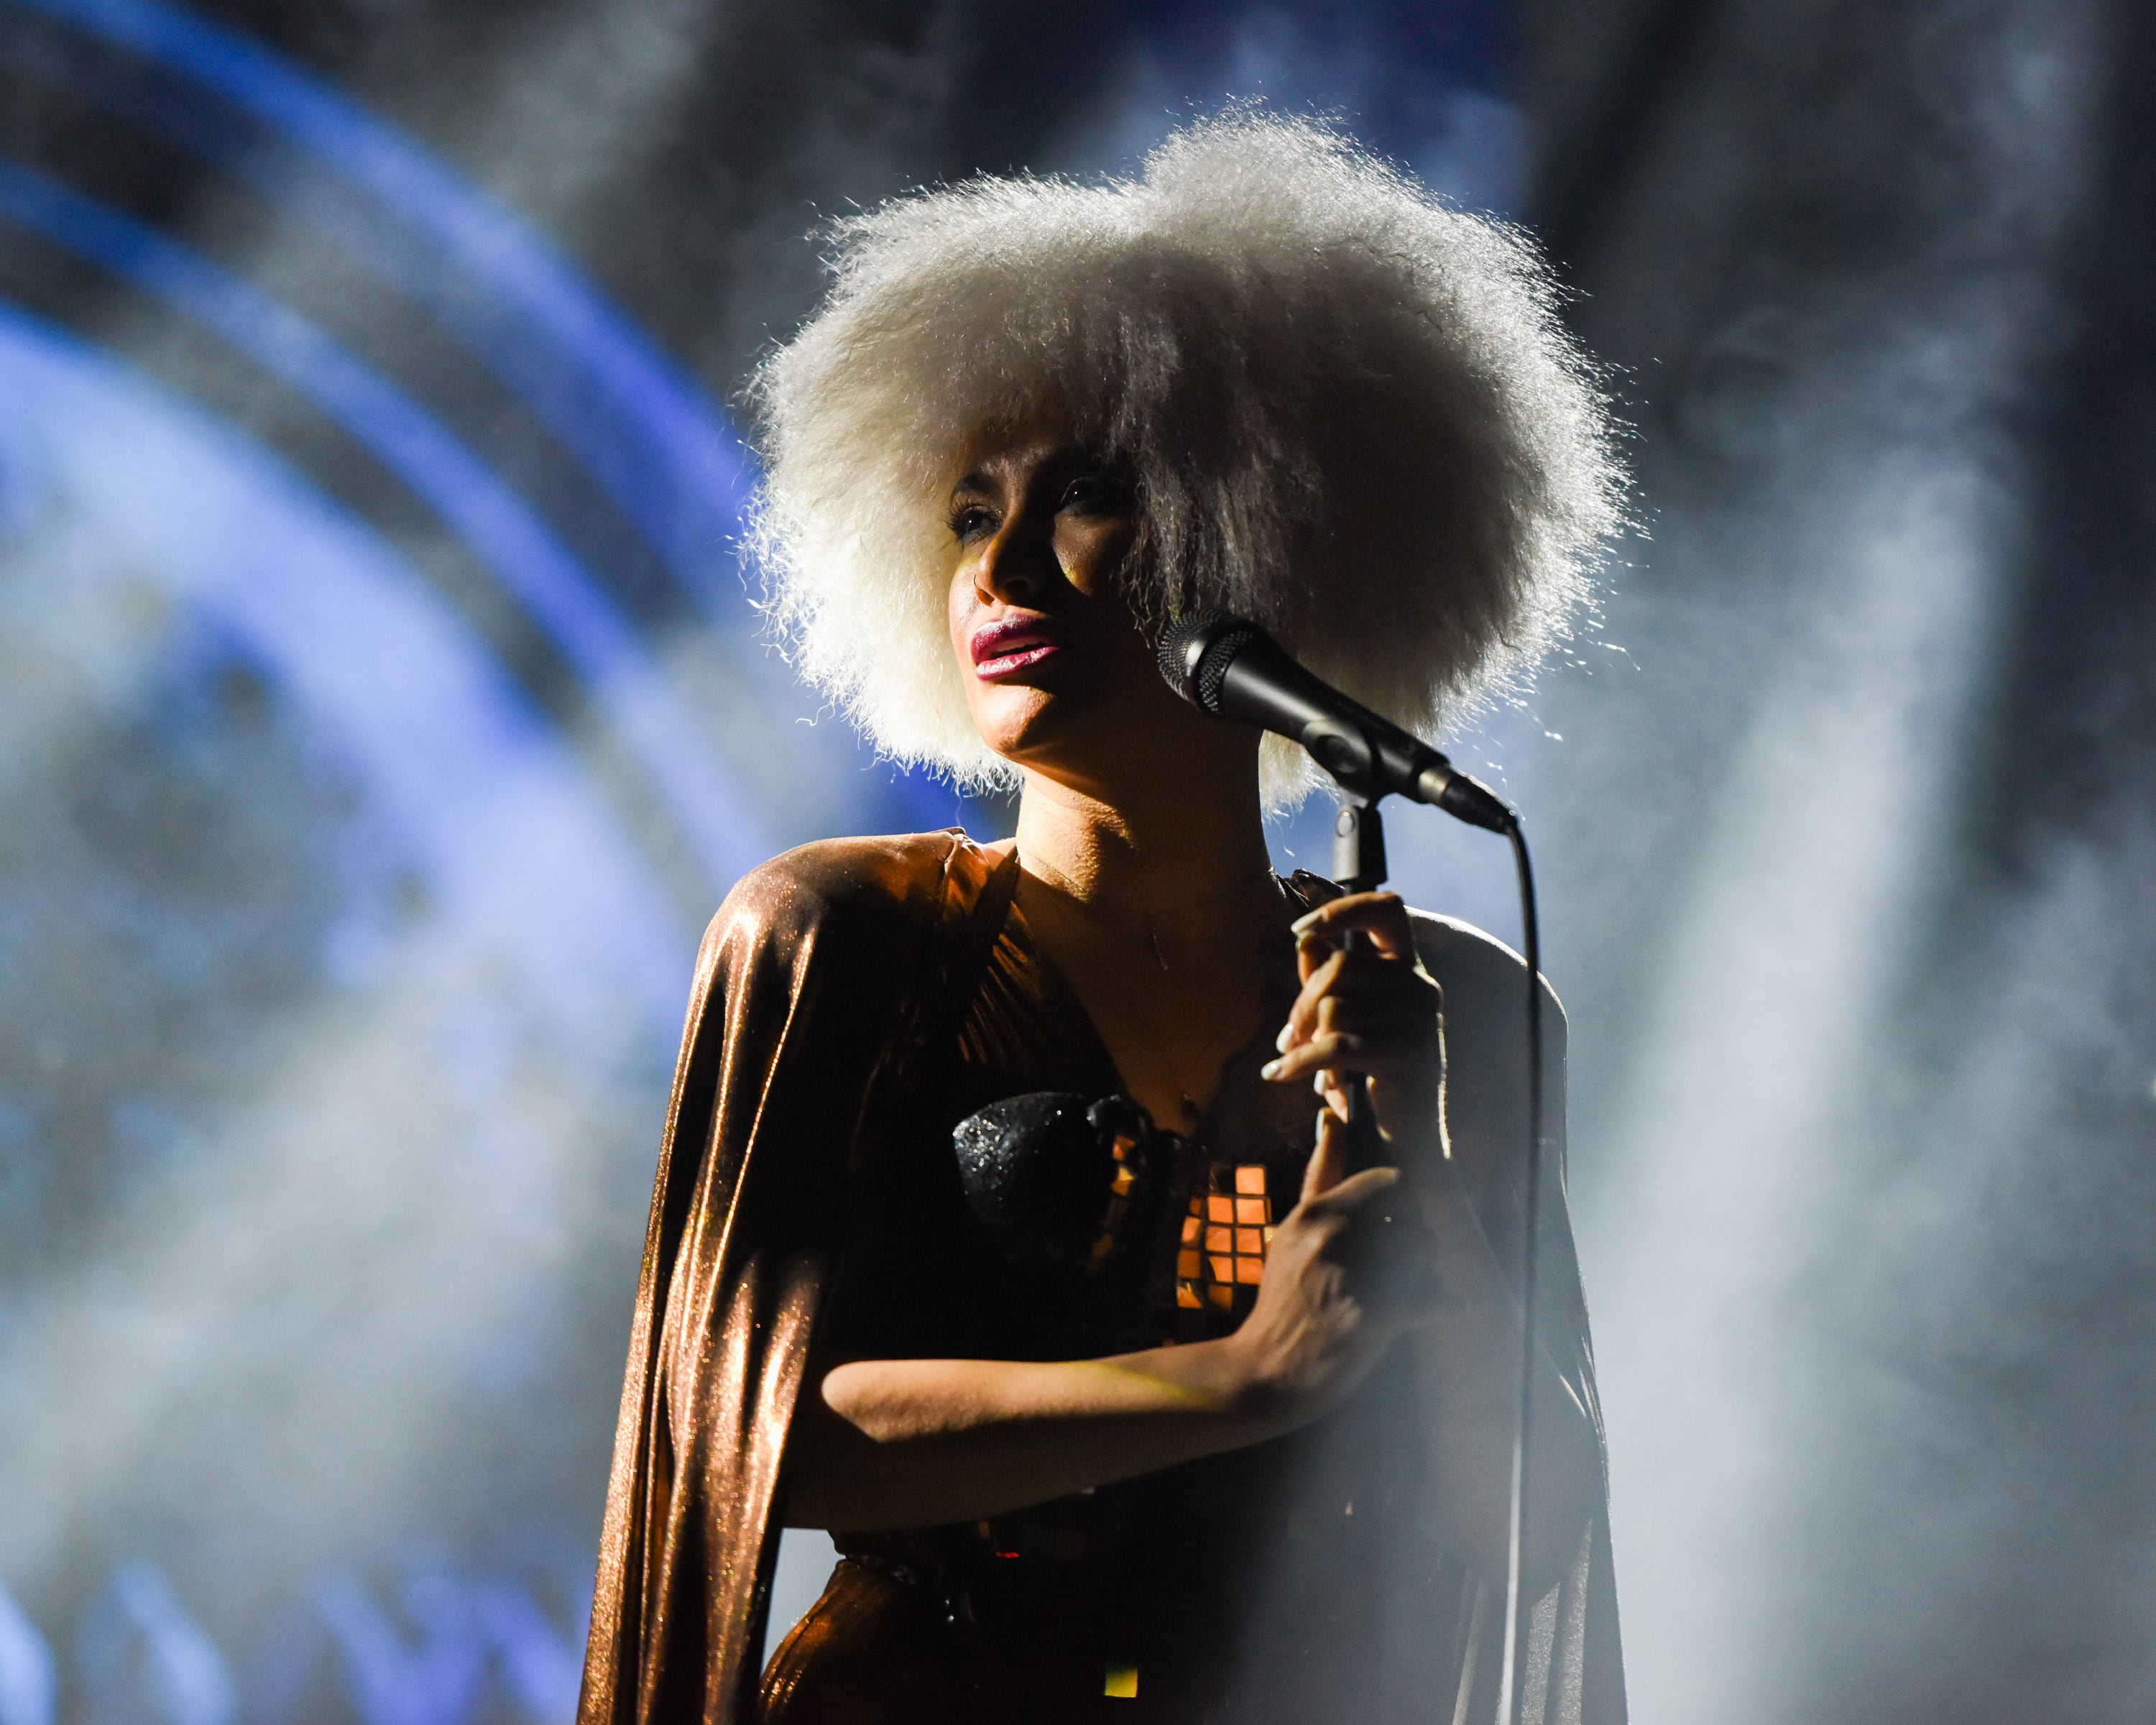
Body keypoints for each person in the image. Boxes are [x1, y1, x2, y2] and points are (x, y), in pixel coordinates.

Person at [576, 112, 1627, 1725]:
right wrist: (1234, 1381)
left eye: (1085, 494)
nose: (999, 567)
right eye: (965, 508)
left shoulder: (1457, 1013)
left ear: (1276, 527)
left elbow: (1534, 1521)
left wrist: (1423, 1150)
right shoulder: (837, 938)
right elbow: (746, 1436)